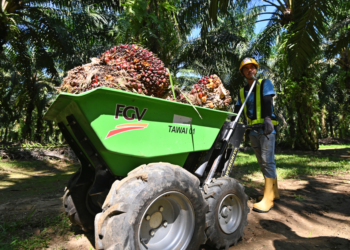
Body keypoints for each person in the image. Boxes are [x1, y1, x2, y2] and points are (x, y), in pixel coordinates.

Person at [234, 58, 279, 213]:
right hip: (253, 130)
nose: (250, 70)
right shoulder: (241, 92)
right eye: (246, 68)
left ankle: (269, 199)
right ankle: (274, 192)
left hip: (266, 129)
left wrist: (268, 119)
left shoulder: (264, 83)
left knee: (268, 161)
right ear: (242, 72)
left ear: (256, 69)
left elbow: (267, 101)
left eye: (252, 67)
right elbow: (237, 111)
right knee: (262, 162)